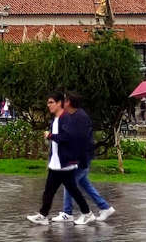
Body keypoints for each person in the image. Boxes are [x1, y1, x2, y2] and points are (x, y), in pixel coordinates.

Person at [26, 92, 94, 225]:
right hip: (57, 163)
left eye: (51, 102)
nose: (48, 105)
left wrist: (50, 136)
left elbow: (68, 138)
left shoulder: (66, 118)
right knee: (52, 190)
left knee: (70, 190)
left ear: (59, 103)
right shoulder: (56, 119)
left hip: (65, 163)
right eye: (48, 102)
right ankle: (43, 215)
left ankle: (87, 213)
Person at [55, 93, 115, 223]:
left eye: (63, 101)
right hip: (79, 157)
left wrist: (80, 160)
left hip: (81, 157)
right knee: (84, 183)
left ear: (69, 102)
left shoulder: (80, 118)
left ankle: (68, 212)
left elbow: (82, 141)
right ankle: (105, 207)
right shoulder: (74, 116)